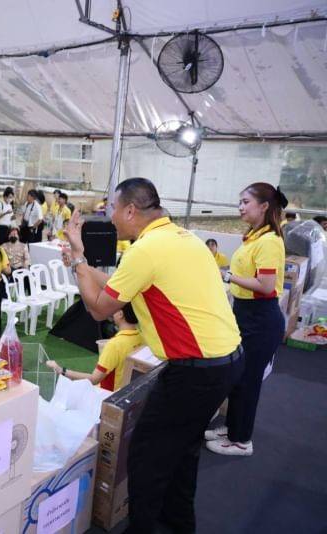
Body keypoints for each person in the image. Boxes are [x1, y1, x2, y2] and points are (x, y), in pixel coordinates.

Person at [64, 177, 242, 533]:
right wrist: (82, 264)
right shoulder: (182, 237)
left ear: (131, 210)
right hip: (226, 360)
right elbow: (120, 285)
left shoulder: (145, 251)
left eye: (113, 209)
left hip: (195, 372)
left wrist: (78, 259)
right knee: (183, 449)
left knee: (146, 455)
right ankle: (177, 521)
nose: (111, 217)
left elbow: (98, 308)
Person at [206, 183, 287, 457]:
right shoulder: (254, 236)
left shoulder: (269, 241)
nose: (240, 207)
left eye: (245, 202)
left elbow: (266, 286)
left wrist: (228, 276)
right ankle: (232, 428)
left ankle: (241, 441)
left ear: (264, 206)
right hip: (245, 313)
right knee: (238, 376)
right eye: (239, 202)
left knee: (248, 381)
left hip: (260, 319)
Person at [46, 304, 142, 391]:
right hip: (127, 392)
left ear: (120, 314)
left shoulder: (114, 345)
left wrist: (61, 370)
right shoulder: (142, 337)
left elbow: (94, 379)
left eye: (114, 308)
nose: (112, 311)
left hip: (106, 395)